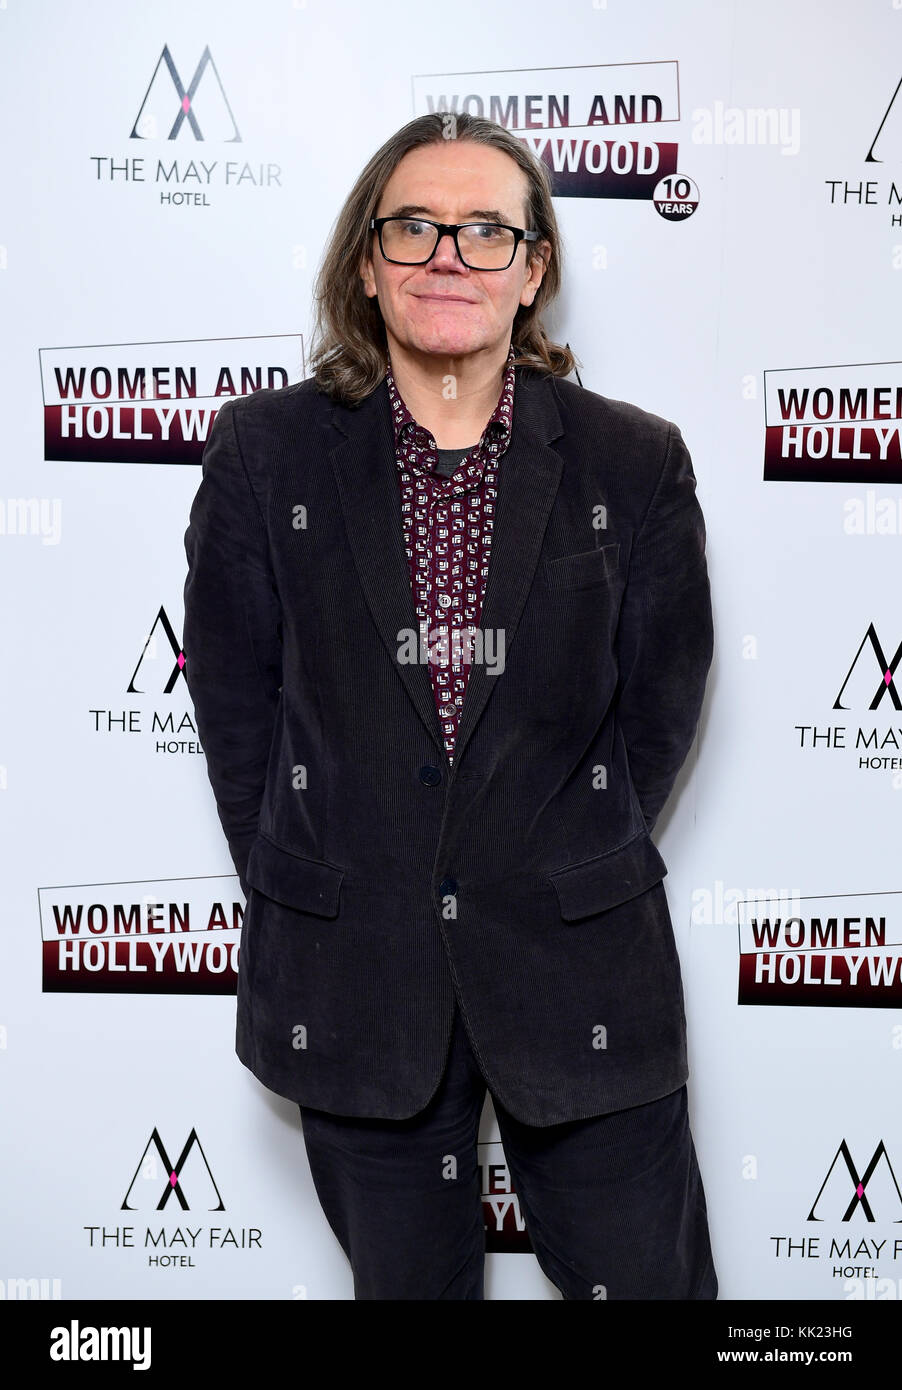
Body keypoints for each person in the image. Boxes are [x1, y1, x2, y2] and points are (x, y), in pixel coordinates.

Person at [182, 111, 717, 1301]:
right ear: (365, 263)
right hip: (356, 972)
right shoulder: (263, 456)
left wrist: (561, 849)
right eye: (414, 226)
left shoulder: (633, 462)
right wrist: (319, 875)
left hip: (579, 968)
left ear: (532, 272)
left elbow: (657, 707)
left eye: (486, 232)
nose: (446, 257)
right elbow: (236, 708)